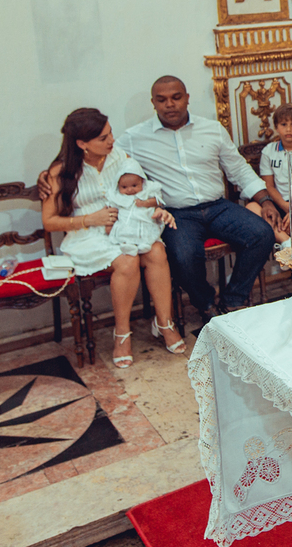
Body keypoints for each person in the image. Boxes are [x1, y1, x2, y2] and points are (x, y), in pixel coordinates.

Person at [41, 108, 185, 368]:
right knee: (128, 261)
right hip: (86, 235)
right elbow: (49, 222)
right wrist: (89, 219)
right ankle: (122, 334)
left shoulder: (121, 158)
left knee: (156, 252)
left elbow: (146, 190)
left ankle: (164, 322)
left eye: (110, 134)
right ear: (82, 144)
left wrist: (153, 206)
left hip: (127, 227)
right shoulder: (59, 172)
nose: (111, 141)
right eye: (103, 138)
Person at [250, 102, 292, 246]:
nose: (288, 129)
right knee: (251, 207)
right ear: (276, 127)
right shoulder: (269, 151)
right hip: (278, 203)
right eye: (283, 124)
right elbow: (268, 186)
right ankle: (287, 243)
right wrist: (284, 206)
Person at [106, 163, 172, 257]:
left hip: (144, 220)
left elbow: (158, 201)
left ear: (142, 182)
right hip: (126, 222)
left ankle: (145, 244)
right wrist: (109, 225)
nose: (129, 190)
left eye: (134, 185)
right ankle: (128, 245)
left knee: (146, 232)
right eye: (124, 187)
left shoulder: (147, 191)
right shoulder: (118, 197)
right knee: (124, 233)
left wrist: (145, 203)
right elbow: (111, 209)